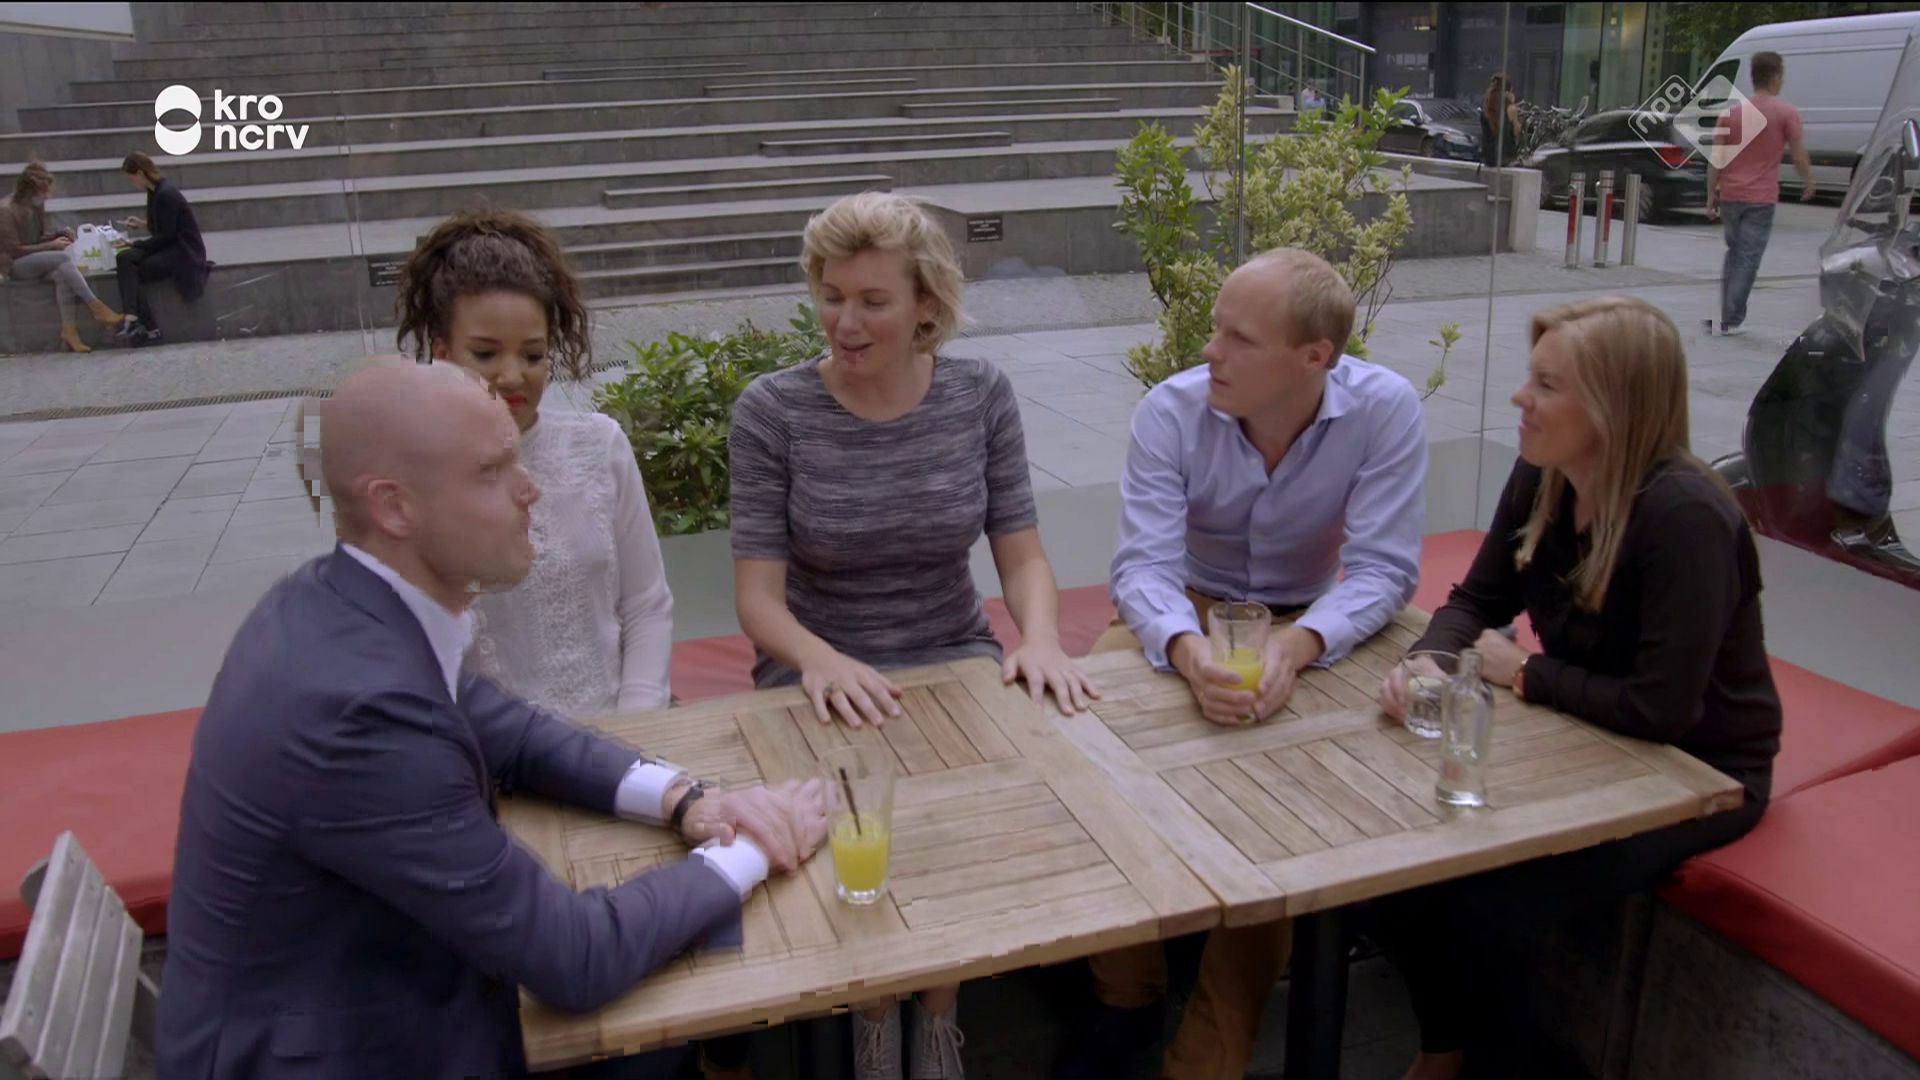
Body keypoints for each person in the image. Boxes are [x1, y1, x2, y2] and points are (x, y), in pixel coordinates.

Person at [158, 359, 829, 1080]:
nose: (528, 487)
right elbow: (574, 959)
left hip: (365, 993)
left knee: (662, 1023)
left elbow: (516, 734)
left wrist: (687, 799)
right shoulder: (359, 715)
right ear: (393, 507)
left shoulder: (336, 603)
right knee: (661, 1026)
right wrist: (752, 849)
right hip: (340, 1052)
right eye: (490, 470)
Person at [728, 190, 1099, 1080]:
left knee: (969, 817)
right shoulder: (773, 410)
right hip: (816, 668)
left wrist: (1040, 638)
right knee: (858, 819)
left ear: (926, 304)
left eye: (873, 301)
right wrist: (822, 660)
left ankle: (937, 1013)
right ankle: (870, 1009)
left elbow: (1022, 555)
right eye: (831, 296)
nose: (844, 322)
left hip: (950, 653)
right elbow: (758, 601)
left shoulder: (979, 394)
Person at [1373, 296, 1782, 1080]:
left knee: (1489, 896)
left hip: (1700, 772)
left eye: (1547, 385)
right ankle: (1446, 1049)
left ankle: (1468, 1061)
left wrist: (1526, 673)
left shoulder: (1686, 516)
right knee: (1391, 853)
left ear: (1612, 405)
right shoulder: (1544, 474)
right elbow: (1476, 600)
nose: (1520, 398)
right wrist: (1429, 660)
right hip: (1589, 737)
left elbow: (1663, 709)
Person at [1065, 247, 1426, 1080]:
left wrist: (1300, 645)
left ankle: (1205, 1061)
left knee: (1285, 825)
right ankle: (1125, 997)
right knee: (1087, 742)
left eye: (1239, 338)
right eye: (1215, 329)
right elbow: (1142, 569)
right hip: (1187, 607)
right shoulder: (1171, 410)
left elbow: (1382, 570)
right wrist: (1187, 651)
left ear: (1314, 357)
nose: (1210, 351)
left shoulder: (1384, 409)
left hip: (1309, 619)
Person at [396, 206, 675, 718]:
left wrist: (639, 727)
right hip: (491, 747)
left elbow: (646, 605)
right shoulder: (413, 476)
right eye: (485, 354)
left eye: (532, 355)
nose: (512, 376)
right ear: (443, 354)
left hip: (622, 733)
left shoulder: (600, 446)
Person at [1707, 50, 1813, 337]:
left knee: (1734, 253)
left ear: (1754, 78)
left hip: (1731, 195)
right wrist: (1808, 181)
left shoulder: (1731, 114)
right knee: (1748, 257)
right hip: (1760, 199)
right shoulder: (1786, 113)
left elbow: (1717, 158)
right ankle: (1732, 317)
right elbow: (1799, 156)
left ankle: (1728, 312)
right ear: (1776, 77)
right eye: (1782, 77)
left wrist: (1711, 194)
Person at [0, 161, 122, 353]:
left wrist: (59, 234)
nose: (47, 197)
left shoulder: (35, 207)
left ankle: (69, 331)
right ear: (29, 192)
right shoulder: (6, 211)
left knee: (62, 274)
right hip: (14, 265)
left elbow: (38, 237)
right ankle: (96, 307)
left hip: (35, 260)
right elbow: (14, 250)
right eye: (43, 193)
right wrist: (51, 245)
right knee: (62, 258)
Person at [113, 151, 210, 346]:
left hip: (182, 252)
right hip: (169, 246)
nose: (133, 183)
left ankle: (148, 327)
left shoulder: (166, 195)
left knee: (133, 270)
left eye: (132, 178)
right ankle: (134, 318)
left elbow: (167, 236)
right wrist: (143, 224)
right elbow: (163, 226)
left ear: (140, 173)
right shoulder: (155, 192)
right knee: (124, 259)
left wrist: (136, 244)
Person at [1480, 73, 1521, 166]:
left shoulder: (1486, 109)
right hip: (1505, 158)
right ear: (1508, 92)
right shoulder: (1510, 108)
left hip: (1488, 158)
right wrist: (1512, 103)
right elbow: (1517, 132)